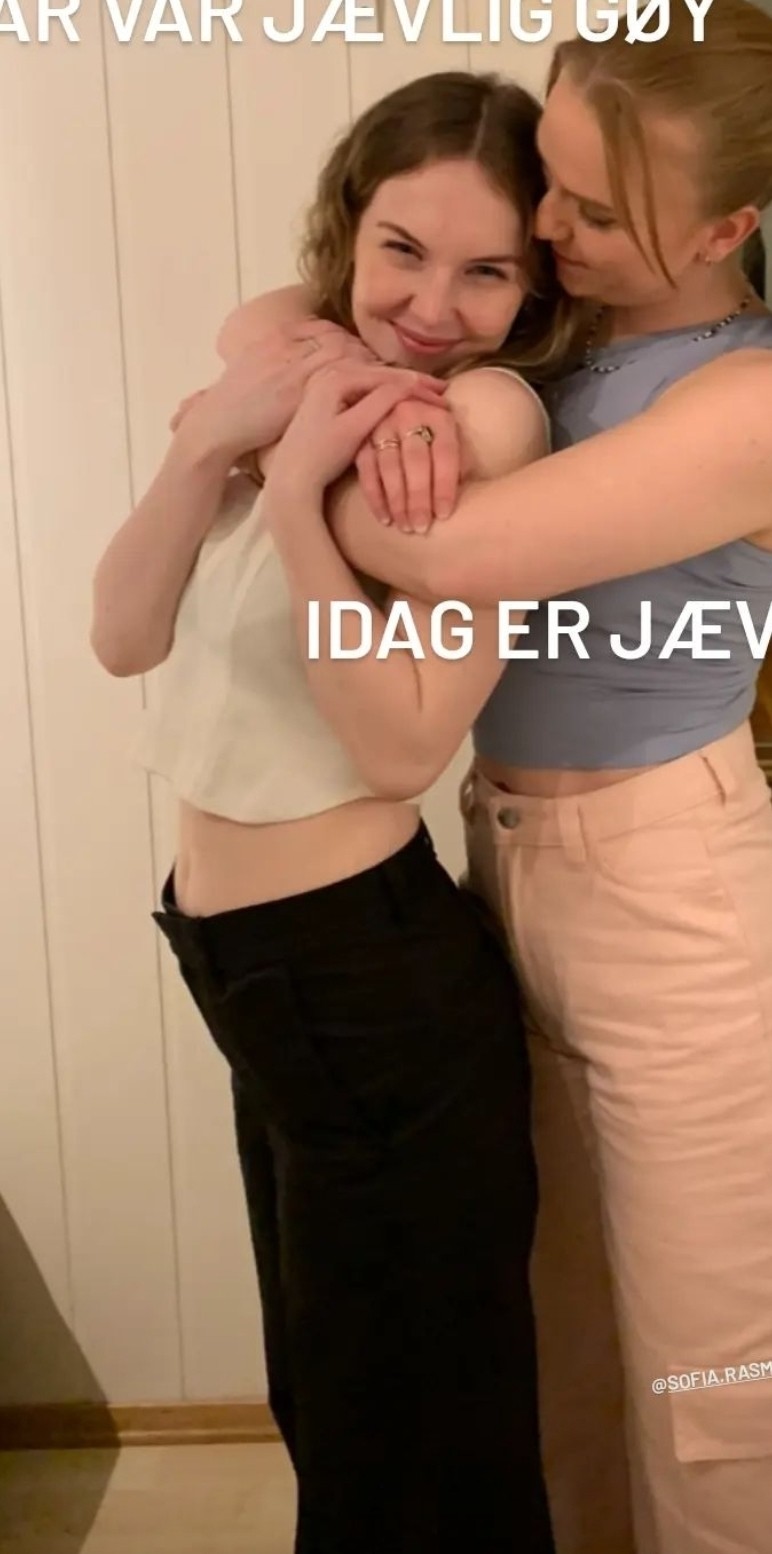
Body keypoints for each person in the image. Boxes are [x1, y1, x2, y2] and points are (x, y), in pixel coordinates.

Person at [219, 5, 772, 1552]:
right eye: (551, 185)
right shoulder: (568, 327)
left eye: (594, 211)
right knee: (558, 1352)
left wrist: (292, 453)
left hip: (670, 891)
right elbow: (278, 305)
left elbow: (455, 554)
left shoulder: (747, 398)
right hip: (503, 859)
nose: (546, 231)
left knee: (715, 1379)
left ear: (727, 230)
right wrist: (313, 372)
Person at [90, 71, 582, 1554]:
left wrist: (298, 496)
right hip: (260, 974)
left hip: (368, 981)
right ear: (347, 230)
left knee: (407, 1444)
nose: (432, 306)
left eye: (486, 269)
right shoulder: (302, 370)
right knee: (333, 1398)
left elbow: (403, 746)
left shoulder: (483, 417)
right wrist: (212, 443)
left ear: (535, 284)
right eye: (401, 251)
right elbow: (123, 636)